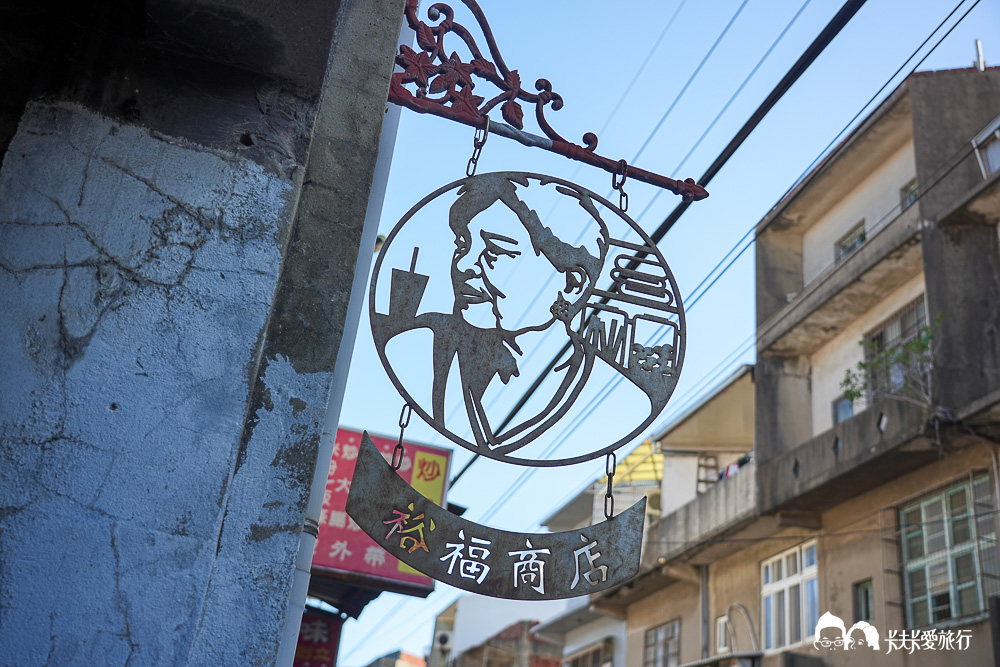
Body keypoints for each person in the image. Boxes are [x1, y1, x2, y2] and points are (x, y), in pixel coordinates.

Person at [372, 173, 609, 453]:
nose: (465, 266)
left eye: (493, 251)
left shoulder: (579, 386)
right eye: (463, 246)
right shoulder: (426, 336)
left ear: (571, 284)